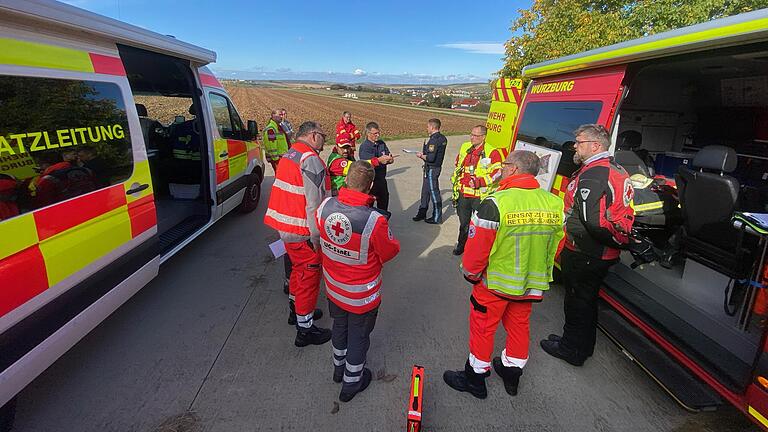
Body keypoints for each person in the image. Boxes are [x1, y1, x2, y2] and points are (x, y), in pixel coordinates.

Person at [443, 151, 564, 399]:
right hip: (531, 284)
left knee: (483, 330)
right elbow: (557, 244)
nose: (502, 167)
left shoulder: (496, 203)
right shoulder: (554, 203)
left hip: (495, 285)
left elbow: (477, 250)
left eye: (506, 164)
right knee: (519, 328)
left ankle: (475, 379)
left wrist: (471, 275)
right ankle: (512, 375)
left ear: (514, 170)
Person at [540, 124, 634, 366]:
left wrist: (579, 241)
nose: (575, 146)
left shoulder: (594, 173)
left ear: (595, 146)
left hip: (587, 252)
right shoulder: (613, 168)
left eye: (579, 142)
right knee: (588, 300)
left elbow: (592, 222)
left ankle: (570, 349)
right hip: (600, 252)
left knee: (576, 301)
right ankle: (583, 345)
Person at [316, 160, 400, 402]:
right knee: (359, 335)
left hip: (333, 288)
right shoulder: (375, 221)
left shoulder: (324, 207)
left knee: (339, 327)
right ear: (370, 185)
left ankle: (338, 369)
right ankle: (352, 383)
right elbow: (390, 252)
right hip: (362, 295)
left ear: (346, 179)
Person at [264, 121, 331, 346]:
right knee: (308, 278)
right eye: (323, 135)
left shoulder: (291, 154)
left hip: (287, 227)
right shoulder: (310, 159)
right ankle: (305, 330)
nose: (325, 139)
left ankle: (296, 312)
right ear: (313, 135)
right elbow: (313, 204)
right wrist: (317, 238)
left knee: (296, 273)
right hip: (303, 230)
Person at [450, 125, 504, 255]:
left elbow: (498, 173)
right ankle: (461, 245)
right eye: (471, 134)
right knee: (464, 224)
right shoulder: (465, 146)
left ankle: (475, 250)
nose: (472, 137)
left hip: (480, 196)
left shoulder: (492, 152)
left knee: (479, 226)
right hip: (463, 193)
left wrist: (480, 181)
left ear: (483, 137)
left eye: (475, 135)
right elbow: (458, 162)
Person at [327, 137, 392, 196]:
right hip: (338, 194)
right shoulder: (338, 162)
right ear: (336, 146)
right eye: (342, 147)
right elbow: (358, 168)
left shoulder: (340, 155)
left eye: (347, 147)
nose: (345, 151)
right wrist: (378, 160)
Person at [413, 118, 447, 224]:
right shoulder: (442, 138)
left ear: (432, 127)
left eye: (428, 127)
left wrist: (421, 156)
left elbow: (431, 158)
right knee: (425, 192)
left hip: (432, 169)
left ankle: (437, 217)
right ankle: (422, 212)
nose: (427, 128)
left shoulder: (434, 140)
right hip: (430, 169)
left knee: (434, 192)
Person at [358, 122, 396, 211]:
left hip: (381, 180)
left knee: (384, 204)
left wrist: (390, 160)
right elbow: (367, 164)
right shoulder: (365, 147)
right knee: (367, 207)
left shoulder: (381, 143)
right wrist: (380, 160)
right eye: (375, 133)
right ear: (368, 134)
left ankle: (383, 222)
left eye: (378, 133)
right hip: (370, 183)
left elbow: (387, 155)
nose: (378, 135)